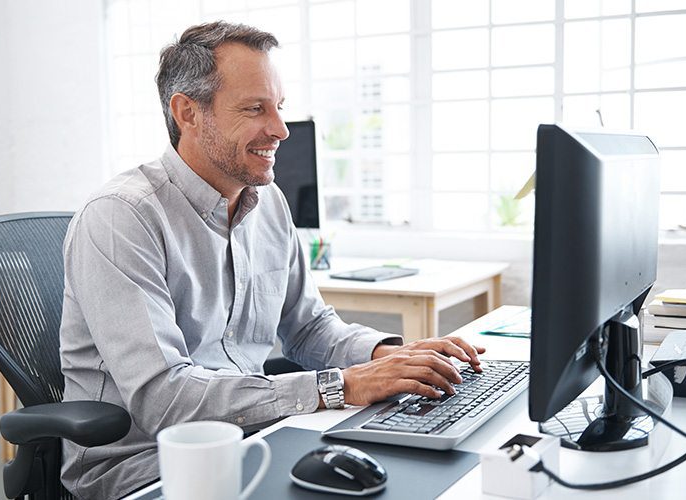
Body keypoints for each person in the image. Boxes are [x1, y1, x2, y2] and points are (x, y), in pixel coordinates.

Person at [59, 20, 485, 499]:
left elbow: (308, 328)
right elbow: (165, 398)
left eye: (279, 107)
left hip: (254, 436)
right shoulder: (122, 217)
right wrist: (341, 385)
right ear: (188, 113)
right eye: (255, 109)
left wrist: (392, 358)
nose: (281, 129)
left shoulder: (268, 202)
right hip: (147, 466)